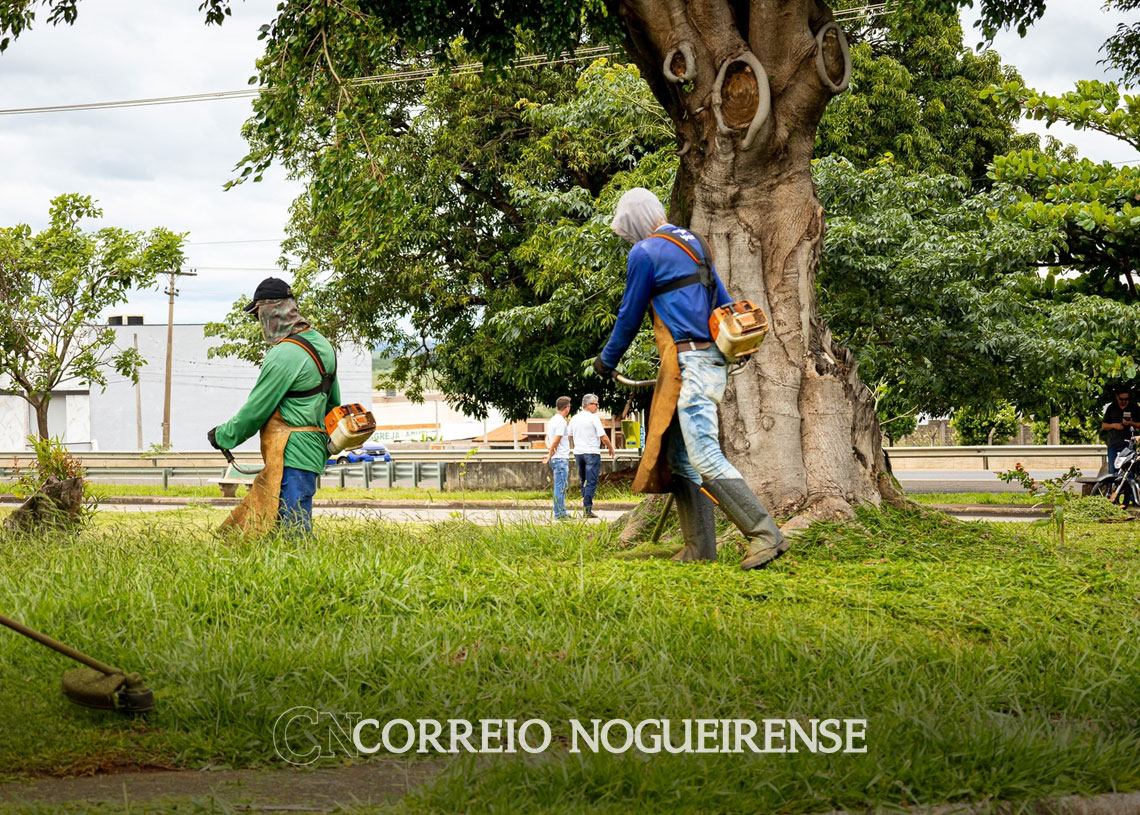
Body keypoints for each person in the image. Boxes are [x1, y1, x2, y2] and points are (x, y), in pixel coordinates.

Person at [593, 187, 786, 569]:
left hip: (691, 365)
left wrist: (607, 360)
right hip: (709, 359)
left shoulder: (644, 253)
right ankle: (699, 548)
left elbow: (630, 314)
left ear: (634, 221)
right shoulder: (696, 243)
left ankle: (766, 534)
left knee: (704, 455)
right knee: (681, 457)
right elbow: (722, 300)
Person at [208, 277, 341, 536]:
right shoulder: (324, 345)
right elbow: (333, 403)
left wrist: (223, 436)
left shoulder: (283, 355)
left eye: (258, 314)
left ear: (270, 311)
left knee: (292, 532)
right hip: (314, 450)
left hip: (290, 452)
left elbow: (256, 410)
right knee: (287, 526)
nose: (259, 322)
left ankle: (305, 575)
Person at [568, 393, 617, 519]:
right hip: (592, 453)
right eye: (596, 404)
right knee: (591, 482)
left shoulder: (574, 418)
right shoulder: (593, 418)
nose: (598, 406)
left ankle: (586, 506)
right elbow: (603, 437)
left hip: (578, 453)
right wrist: (611, 448)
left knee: (583, 480)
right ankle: (587, 509)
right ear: (588, 405)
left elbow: (569, 436)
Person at [541, 396, 573, 520]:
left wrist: (551, 452)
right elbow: (557, 439)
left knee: (561, 486)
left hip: (557, 458)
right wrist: (550, 454)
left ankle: (562, 512)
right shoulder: (561, 421)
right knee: (560, 487)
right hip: (560, 459)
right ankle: (559, 514)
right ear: (567, 408)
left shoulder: (553, 420)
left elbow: (548, 439)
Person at [1101, 386, 1139, 475]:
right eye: (1121, 399)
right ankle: (1112, 489)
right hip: (1114, 444)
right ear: (1117, 397)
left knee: (1129, 473)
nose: (1124, 401)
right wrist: (1114, 425)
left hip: (1129, 444)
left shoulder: (1134, 407)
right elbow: (1104, 426)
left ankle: (1129, 489)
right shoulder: (1112, 407)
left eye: (1126, 399)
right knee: (1113, 472)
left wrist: (1131, 423)